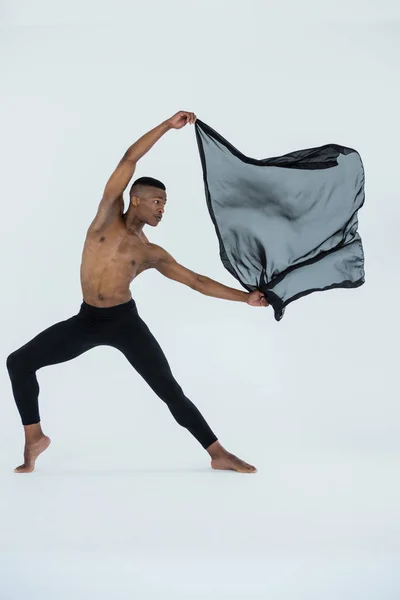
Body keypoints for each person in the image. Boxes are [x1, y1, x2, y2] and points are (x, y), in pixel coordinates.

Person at [6, 110, 269, 474]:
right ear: (137, 199)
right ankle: (34, 437)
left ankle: (217, 452)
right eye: (158, 201)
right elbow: (129, 158)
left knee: (168, 389)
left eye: (165, 204)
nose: (162, 208)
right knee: (19, 362)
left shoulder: (150, 253)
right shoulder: (105, 216)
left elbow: (196, 281)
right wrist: (166, 126)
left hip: (123, 322)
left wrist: (245, 297)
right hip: (86, 320)